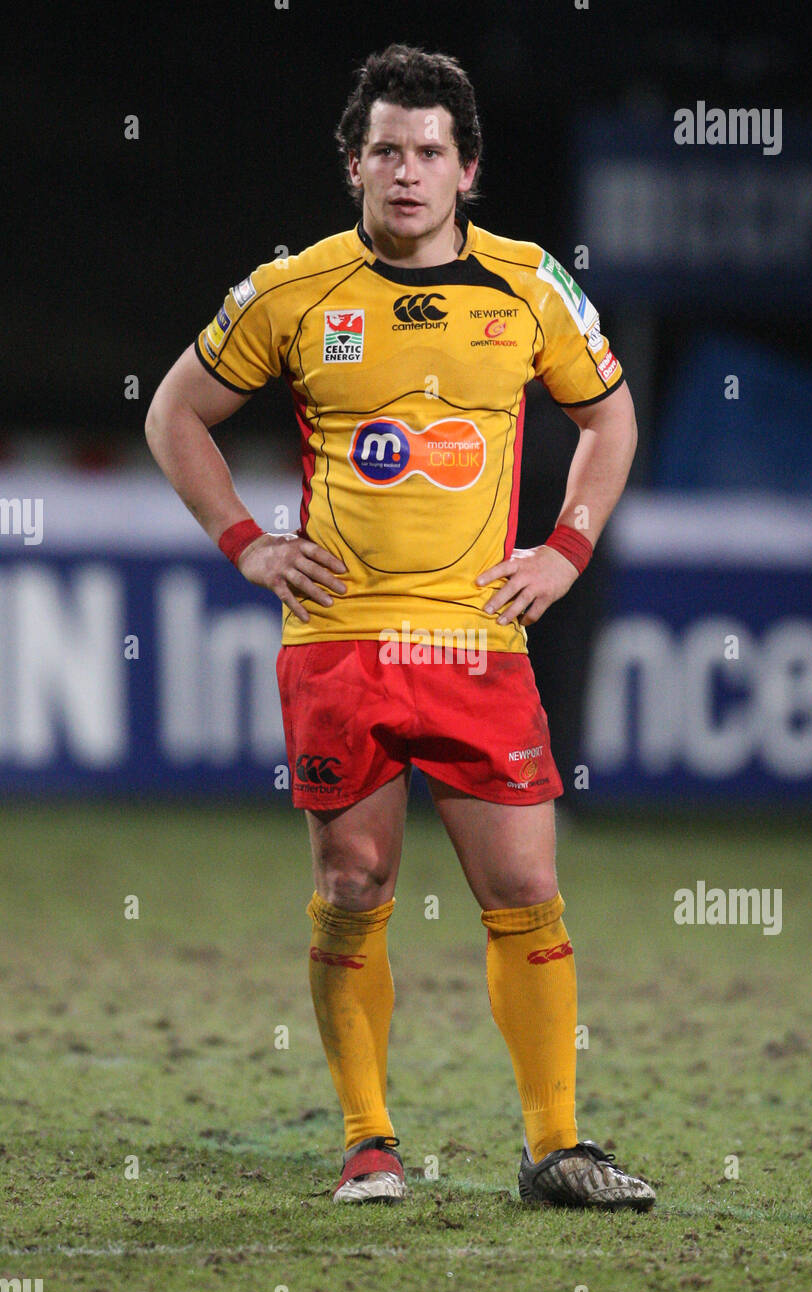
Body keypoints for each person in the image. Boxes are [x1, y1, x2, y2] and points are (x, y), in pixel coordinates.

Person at [145, 43, 655, 1212]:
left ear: (466, 169)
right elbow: (175, 413)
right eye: (387, 150)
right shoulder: (293, 291)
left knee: (525, 884)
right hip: (340, 638)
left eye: (430, 152)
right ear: (353, 164)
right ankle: (368, 1141)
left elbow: (611, 422)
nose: (409, 172)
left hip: (478, 639)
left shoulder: (529, 287)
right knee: (355, 876)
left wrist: (566, 545)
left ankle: (554, 1147)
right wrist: (248, 542)